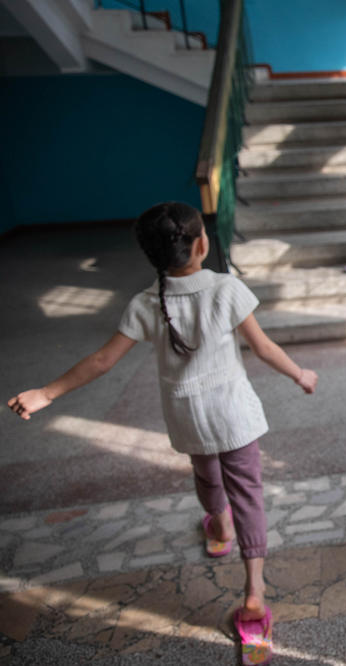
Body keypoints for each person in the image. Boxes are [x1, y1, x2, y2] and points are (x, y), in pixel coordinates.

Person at [7, 202, 318, 665]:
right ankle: (254, 598)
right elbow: (264, 347)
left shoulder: (146, 303)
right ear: (201, 245)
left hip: (188, 419)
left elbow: (101, 361)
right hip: (235, 418)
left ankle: (218, 523)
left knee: (208, 479)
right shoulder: (226, 288)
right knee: (248, 493)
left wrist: (46, 394)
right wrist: (299, 374)